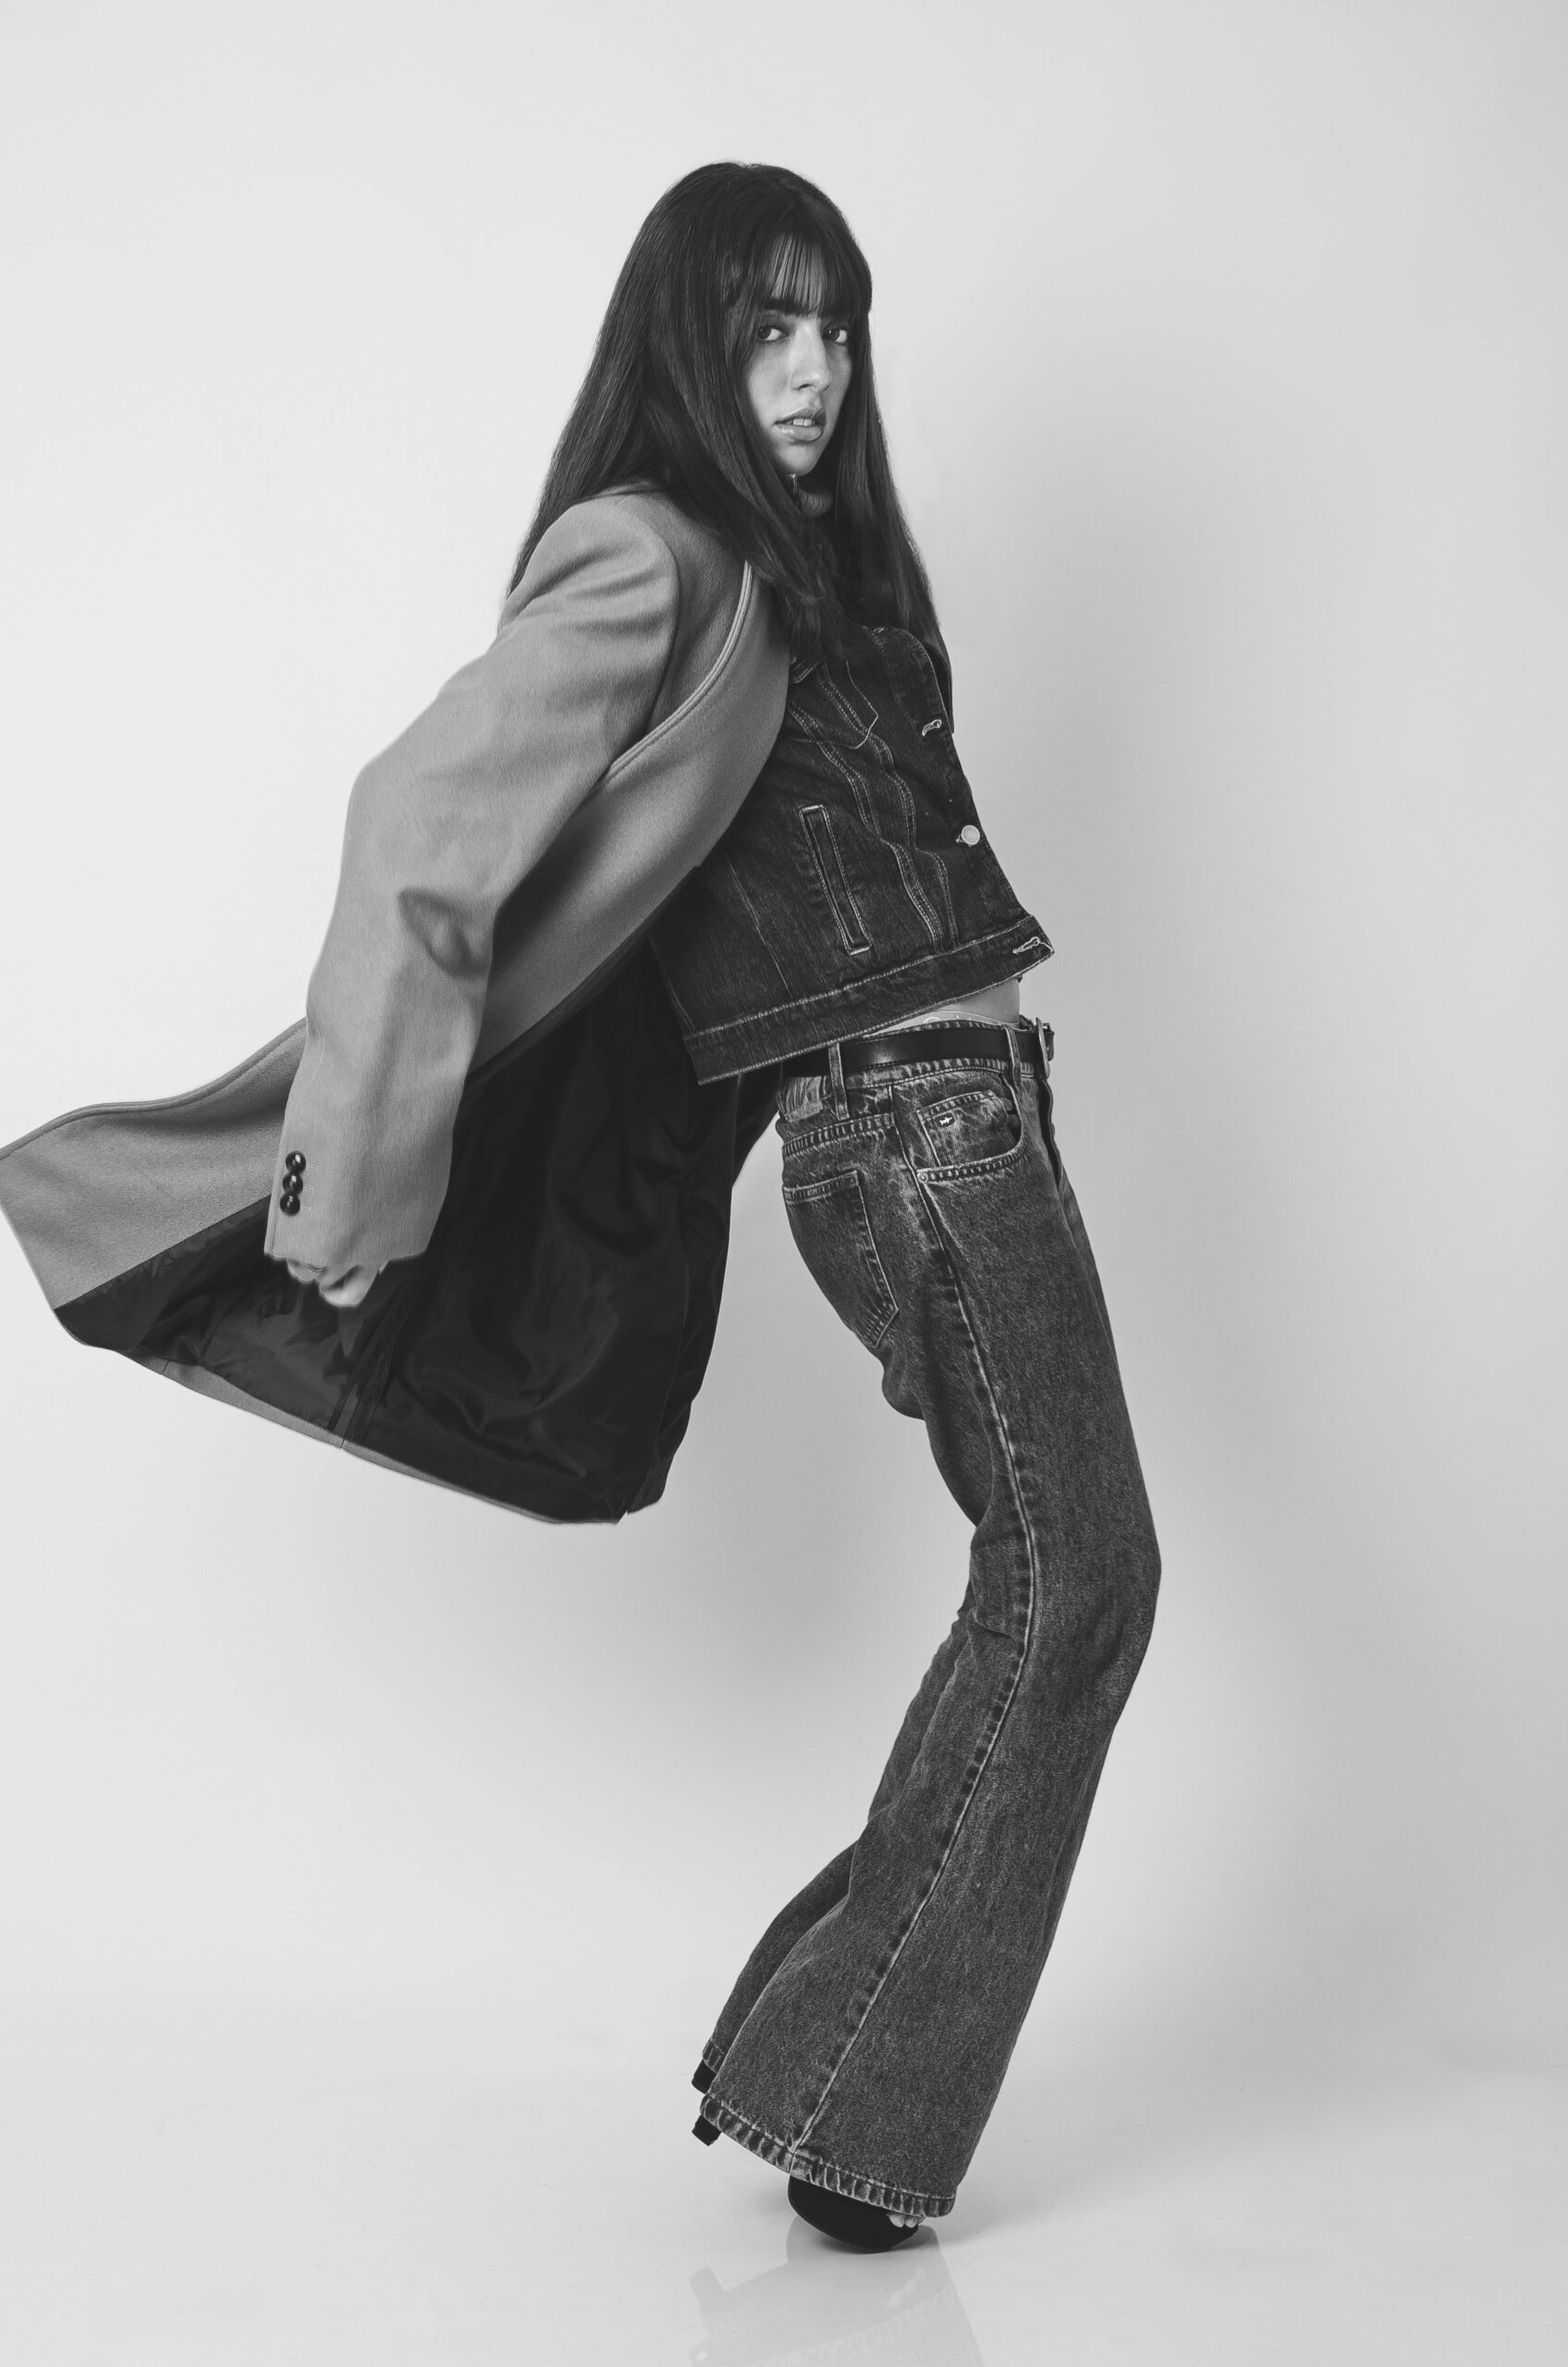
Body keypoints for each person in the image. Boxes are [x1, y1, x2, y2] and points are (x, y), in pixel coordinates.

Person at [0, 164, 1159, 2250]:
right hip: (908, 1124)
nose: (808, 374)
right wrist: (342, 1175)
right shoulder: (650, 553)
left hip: (978, 1110)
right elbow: (413, 836)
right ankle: (853, 2101)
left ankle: (834, 2061)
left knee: (1061, 1575)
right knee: (1082, 1578)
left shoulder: (824, 567)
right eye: (765, 326)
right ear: (683, 339)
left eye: (835, 330)